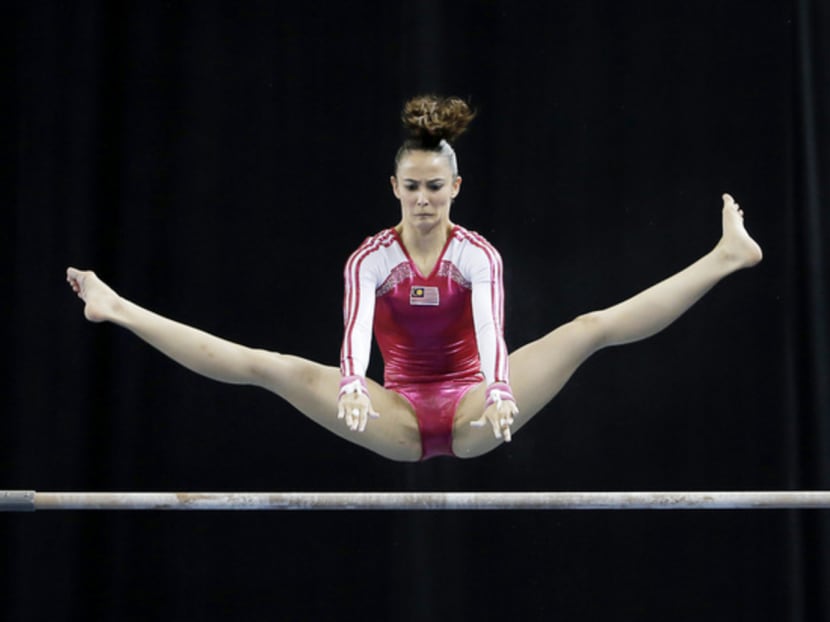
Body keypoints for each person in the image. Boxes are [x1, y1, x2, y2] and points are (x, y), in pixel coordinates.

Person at [66, 95, 763, 462]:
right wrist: (347, 386)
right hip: (393, 415)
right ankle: (119, 308)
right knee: (266, 366)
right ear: (393, 187)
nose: (424, 199)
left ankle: (726, 257)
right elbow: (352, 339)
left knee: (589, 330)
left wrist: (496, 391)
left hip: (476, 409)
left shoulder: (476, 255)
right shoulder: (369, 259)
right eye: (412, 187)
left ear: (456, 185)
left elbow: (494, 332)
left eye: (435, 186)